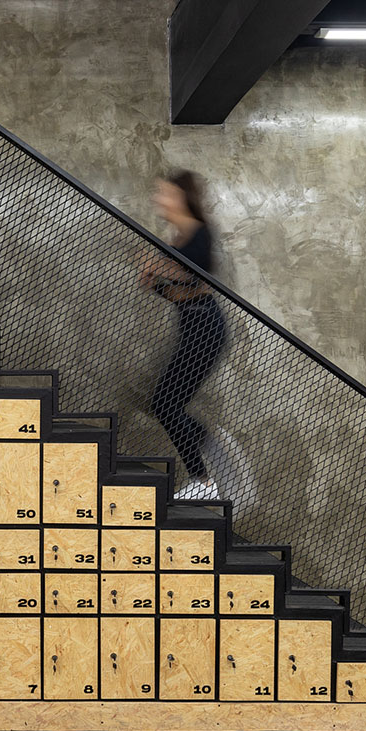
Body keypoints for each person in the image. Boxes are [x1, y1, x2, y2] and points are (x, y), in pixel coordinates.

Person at [137, 171, 228, 499]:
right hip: (192, 327)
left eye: (164, 194)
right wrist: (156, 282)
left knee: (165, 402)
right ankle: (203, 459)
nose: (157, 200)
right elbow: (181, 292)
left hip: (206, 328)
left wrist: (160, 269)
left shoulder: (199, 233)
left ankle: (203, 481)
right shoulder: (177, 240)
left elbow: (196, 277)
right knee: (165, 403)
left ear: (179, 198)